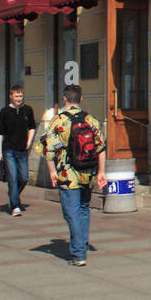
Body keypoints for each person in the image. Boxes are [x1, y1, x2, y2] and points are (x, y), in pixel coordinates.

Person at [43, 85, 107, 266]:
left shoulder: (59, 121)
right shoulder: (91, 120)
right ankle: (82, 244)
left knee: (71, 212)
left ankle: (79, 254)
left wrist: (52, 172)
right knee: (84, 209)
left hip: (67, 174)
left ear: (64, 99)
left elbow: (50, 150)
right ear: (80, 99)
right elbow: (101, 147)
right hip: (88, 173)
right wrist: (101, 172)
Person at [0, 84, 37, 216]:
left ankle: (13, 195)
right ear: (11, 96)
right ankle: (15, 206)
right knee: (12, 178)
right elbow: (0, 133)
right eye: (16, 96)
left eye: (21, 96)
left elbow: (32, 127)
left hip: (22, 150)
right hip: (9, 150)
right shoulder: (5, 112)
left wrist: (29, 142)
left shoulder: (28, 110)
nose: (19, 98)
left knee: (24, 178)